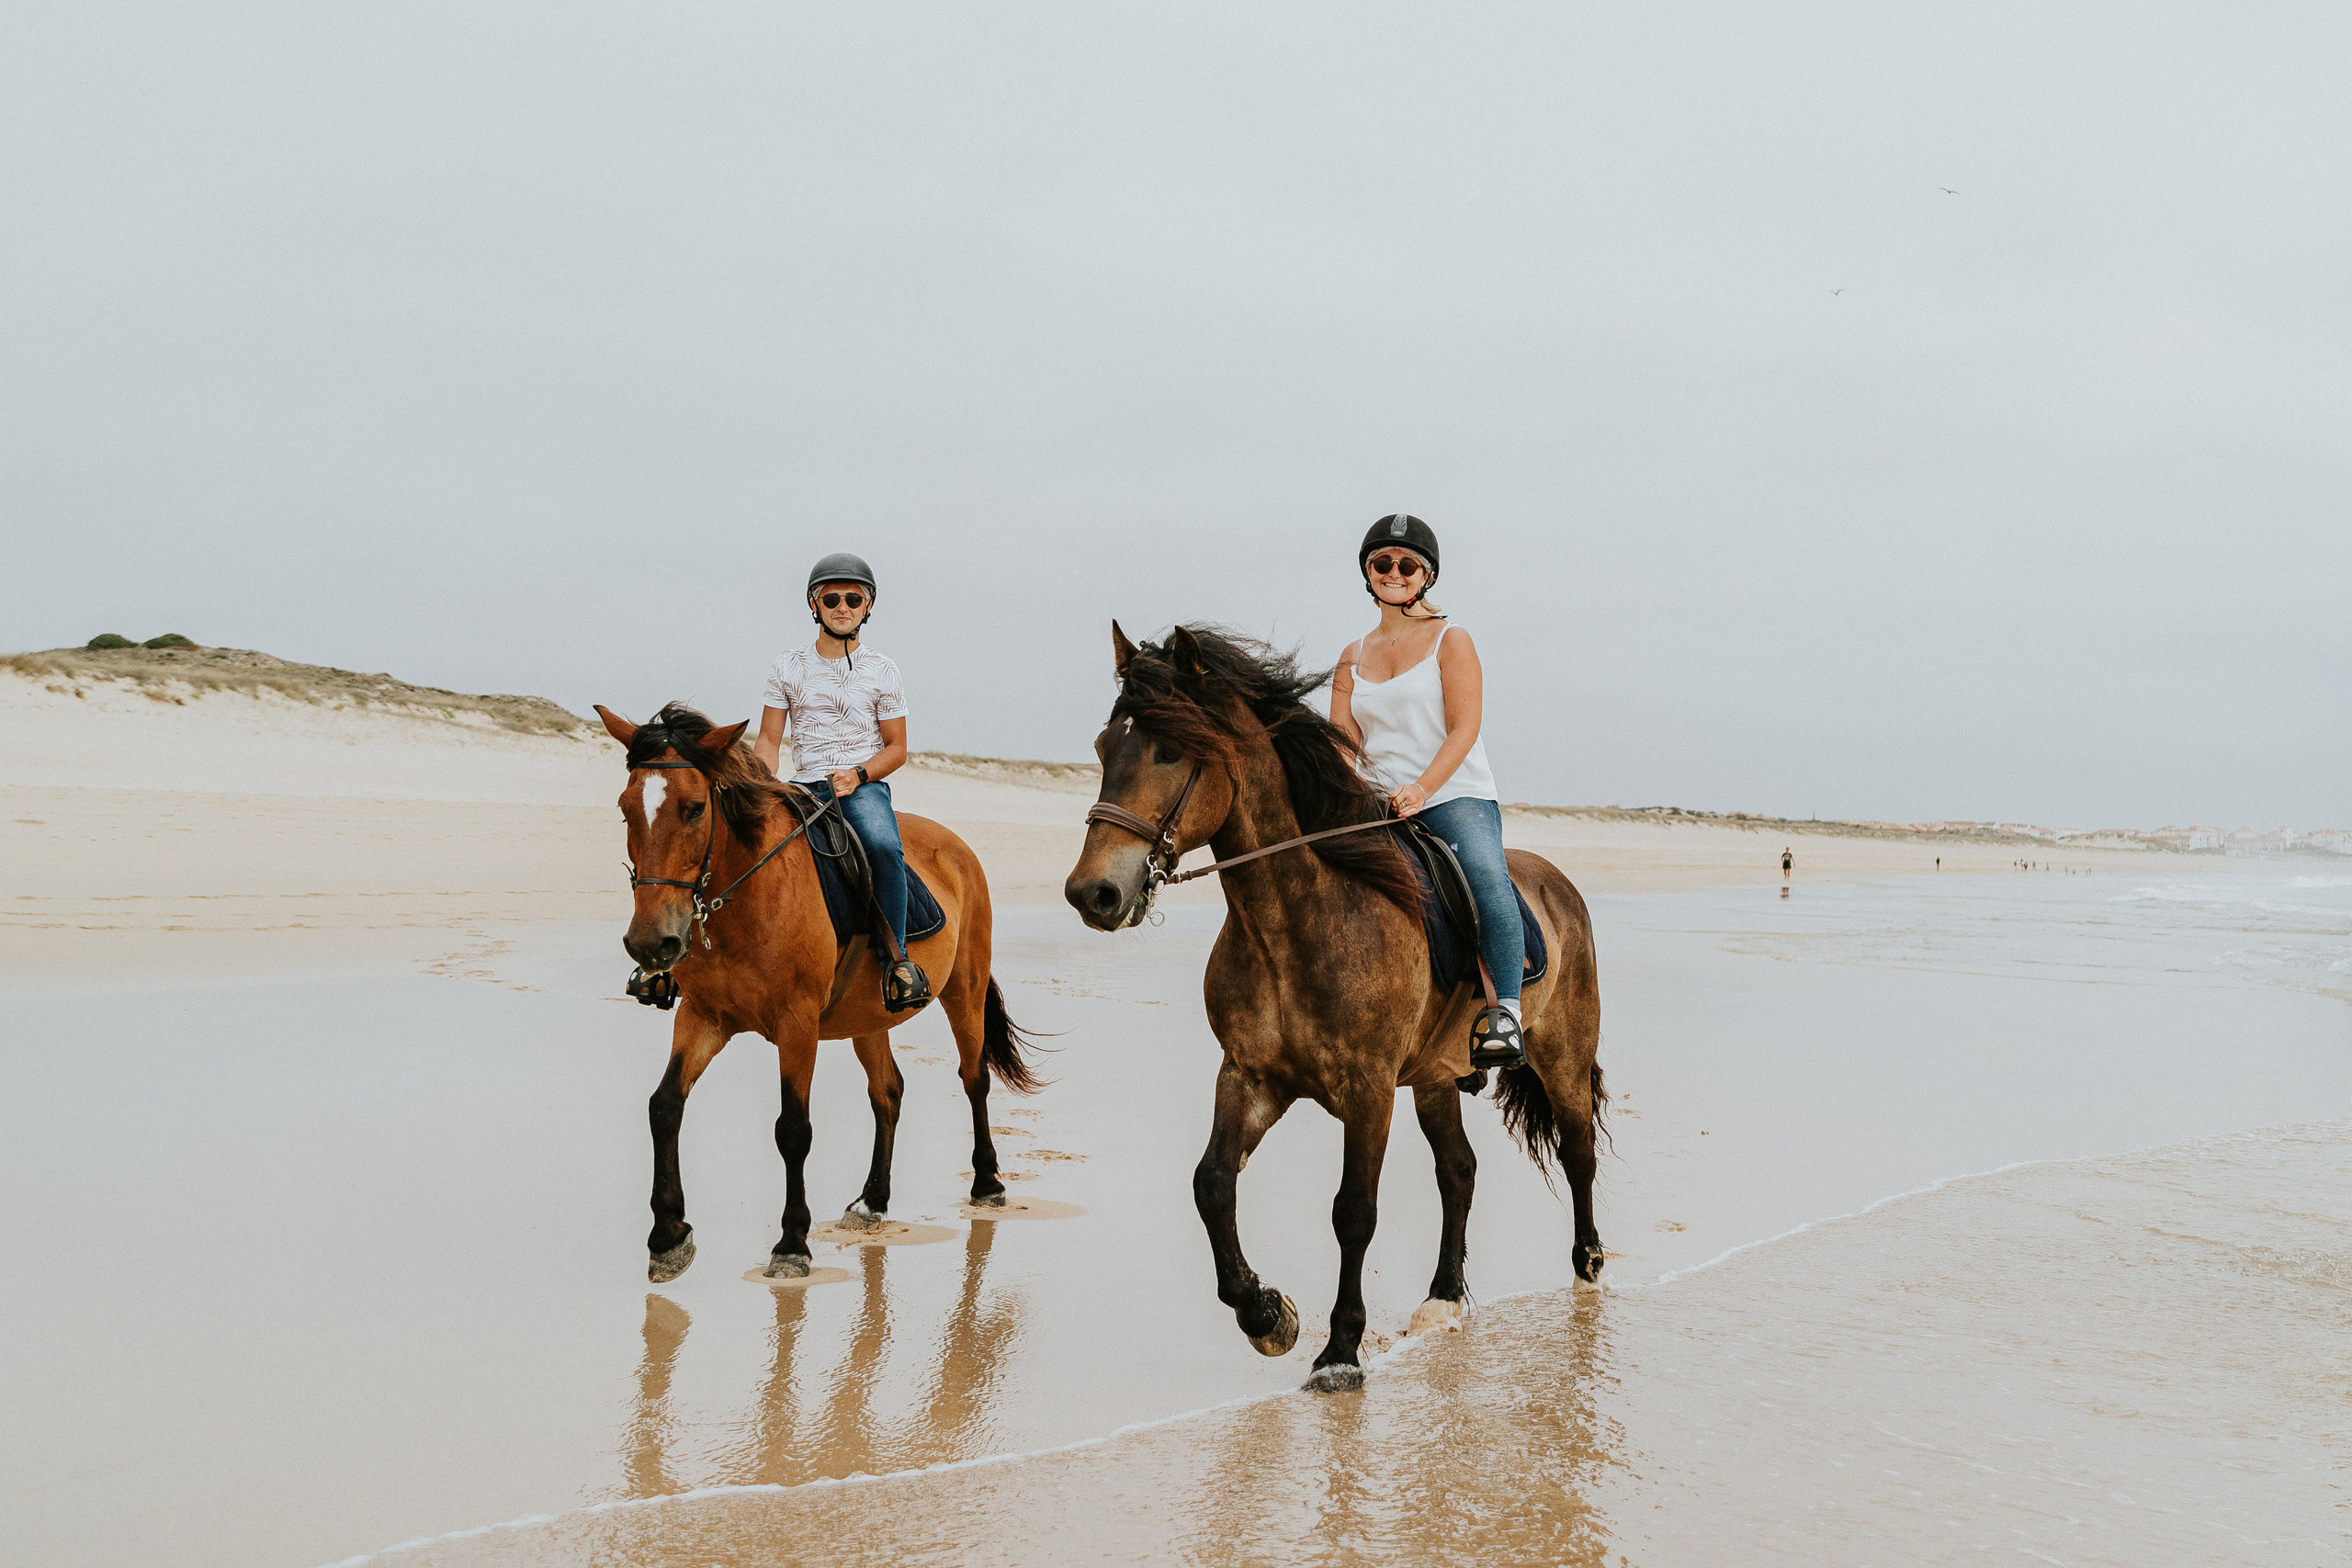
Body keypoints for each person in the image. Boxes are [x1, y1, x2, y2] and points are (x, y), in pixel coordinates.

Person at [1329, 514, 1528, 1071]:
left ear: (1425, 576)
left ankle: (1504, 1012)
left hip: (1451, 793)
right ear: (1368, 574)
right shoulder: (1351, 654)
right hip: (1378, 800)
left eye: (1407, 564)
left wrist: (1422, 788)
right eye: (1382, 563)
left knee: (1486, 876)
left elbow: (1465, 726)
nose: (1394, 572)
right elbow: (1345, 740)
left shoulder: (1451, 639)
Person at [753, 552, 930, 1011]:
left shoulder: (883, 669)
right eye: (831, 597)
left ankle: (897, 962)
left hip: (860, 785)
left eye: (854, 597)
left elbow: (897, 747)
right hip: (802, 784)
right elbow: (770, 739)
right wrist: (759, 778)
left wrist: (859, 775)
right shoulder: (786, 667)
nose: (842, 605)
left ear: (868, 606)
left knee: (884, 846)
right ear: (814, 604)